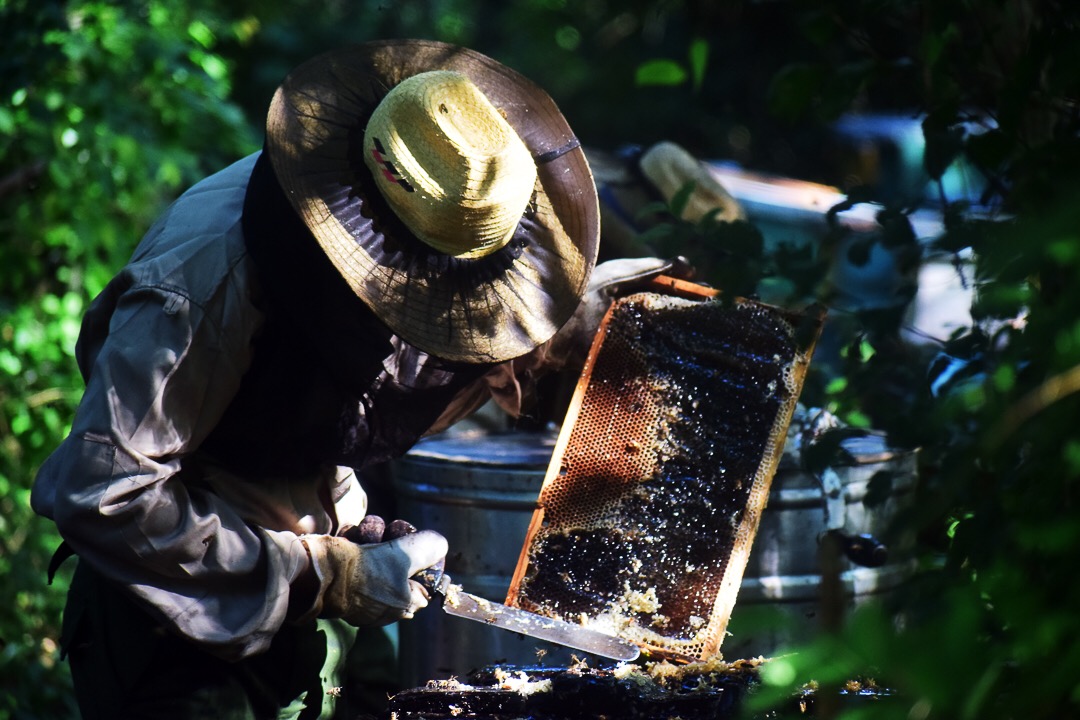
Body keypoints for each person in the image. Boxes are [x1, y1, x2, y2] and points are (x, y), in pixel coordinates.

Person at [32, 39, 680, 719]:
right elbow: (102, 494)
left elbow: (316, 406)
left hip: (293, 630)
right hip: (168, 636)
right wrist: (329, 574)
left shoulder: (438, 211)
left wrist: (350, 534)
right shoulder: (202, 283)